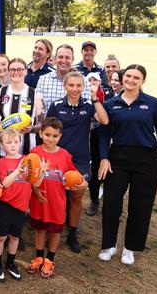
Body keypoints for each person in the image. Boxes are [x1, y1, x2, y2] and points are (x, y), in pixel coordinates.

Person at [97, 64, 157, 265]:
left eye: (136, 77)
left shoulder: (153, 103)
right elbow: (104, 134)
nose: (130, 80)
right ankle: (109, 245)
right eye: (128, 76)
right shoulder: (111, 104)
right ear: (122, 78)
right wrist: (104, 158)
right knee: (111, 202)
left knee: (140, 205)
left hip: (147, 158)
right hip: (118, 157)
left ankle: (130, 247)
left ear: (143, 81)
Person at [46, 71, 108, 252]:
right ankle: (53, 228)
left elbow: (104, 120)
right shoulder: (56, 106)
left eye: (78, 85)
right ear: (65, 86)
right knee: (56, 196)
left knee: (77, 196)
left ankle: (72, 235)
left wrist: (95, 99)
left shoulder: (88, 106)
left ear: (84, 87)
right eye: (71, 85)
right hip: (58, 157)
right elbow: (48, 131)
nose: (75, 89)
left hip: (80, 159)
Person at [26, 117, 87, 279]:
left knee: (54, 231)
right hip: (39, 200)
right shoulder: (35, 153)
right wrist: (35, 190)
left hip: (57, 201)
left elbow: (75, 177)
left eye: (54, 136)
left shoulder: (65, 155)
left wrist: (81, 184)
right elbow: (30, 176)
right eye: (47, 134)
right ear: (40, 134)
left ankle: (50, 260)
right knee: (40, 229)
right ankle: (39, 257)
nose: (50, 139)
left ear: (60, 136)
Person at [0, 128, 39, 282]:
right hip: (5, 205)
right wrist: (18, 170)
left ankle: (10, 263)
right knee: (1, 237)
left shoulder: (28, 159)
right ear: (1, 144)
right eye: (8, 142)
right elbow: (5, 183)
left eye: (16, 142)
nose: (13, 145)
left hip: (21, 206)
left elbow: (36, 182)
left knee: (15, 237)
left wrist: (42, 172)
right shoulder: (1, 161)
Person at [0, 58, 44, 157]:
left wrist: (31, 129)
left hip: (28, 150)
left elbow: (42, 124)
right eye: (12, 69)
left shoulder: (36, 94)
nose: (16, 72)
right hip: (3, 151)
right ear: (8, 71)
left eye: (19, 69)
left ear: (26, 71)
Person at [36, 44, 91, 114]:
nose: (63, 60)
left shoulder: (84, 81)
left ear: (72, 60)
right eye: (60, 57)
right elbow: (38, 108)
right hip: (49, 124)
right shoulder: (43, 80)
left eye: (67, 57)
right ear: (55, 59)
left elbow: (86, 109)